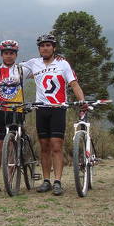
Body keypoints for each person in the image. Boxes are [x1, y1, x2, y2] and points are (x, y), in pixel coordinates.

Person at [21, 33, 87, 195]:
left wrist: (82, 102)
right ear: (39, 48)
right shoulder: (33, 63)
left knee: (56, 146)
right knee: (44, 147)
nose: (45, 48)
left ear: (54, 48)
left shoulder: (62, 63)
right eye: (42, 45)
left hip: (58, 108)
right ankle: (46, 180)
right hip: (41, 109)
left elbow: (73, 84)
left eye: (48, 45)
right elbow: (13, 70)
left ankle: (57, 181)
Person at [0, 40, 33, 193]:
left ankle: (9, 180)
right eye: (6, 53)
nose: (9, 56)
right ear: (2, 55)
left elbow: (42, 68)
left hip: (16, 111)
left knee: (12, 145)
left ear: (16, 55)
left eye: (12, 53)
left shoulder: (21, 70)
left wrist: (58, 58)